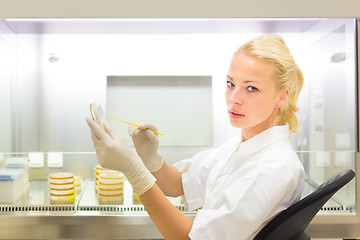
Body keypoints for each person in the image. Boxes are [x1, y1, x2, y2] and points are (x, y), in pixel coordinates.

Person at [86, 35, 305, 240]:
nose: (234, 99)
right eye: (230, 84)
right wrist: (150, 158)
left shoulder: (274, 168)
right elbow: (179, 184)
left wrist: (135, 171)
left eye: (251, 88)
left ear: (281, 97)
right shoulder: (241, 145)